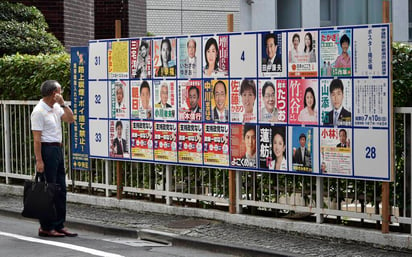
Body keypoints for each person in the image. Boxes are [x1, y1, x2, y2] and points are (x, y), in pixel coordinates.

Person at [31, 80, 77, 237]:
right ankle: (46, 226)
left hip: (57, 148)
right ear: (53, 93)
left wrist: (63, 104)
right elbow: (36, 139)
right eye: (60, 91)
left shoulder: (56, 107)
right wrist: (39, 160)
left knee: (60, 188)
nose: (61, 93)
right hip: (46, 149)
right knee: (48, 189)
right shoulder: (38, 111)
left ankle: (59, 224)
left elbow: (71, 119)